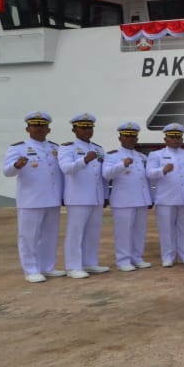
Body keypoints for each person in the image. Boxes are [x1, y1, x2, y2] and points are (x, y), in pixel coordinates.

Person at [3, 111, 65, 283]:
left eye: (42, 126)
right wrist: (16, 165)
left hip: (52, 199)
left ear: (48, 130)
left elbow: (60, 174)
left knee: (49, 236)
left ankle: (48, 267)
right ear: (27, 129)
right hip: (31, 200)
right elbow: (7, 172)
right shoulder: (18, 148)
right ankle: (31, 269)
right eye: (35, 126)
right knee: (29, 237)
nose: (39, 129)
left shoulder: (55, 148)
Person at [58, 113, 109, 279]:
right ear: (74, 129)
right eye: (83, 128)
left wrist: (105, 195)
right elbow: (66, 169)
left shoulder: (98, 149)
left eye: (89, 128)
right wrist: (84, 160)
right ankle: (73, 266)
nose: (87, 131)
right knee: (75, 233)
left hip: (96, 197)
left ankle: (89, 262)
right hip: (78, 198)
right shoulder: (67, 148)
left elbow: (101, 175)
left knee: (93, 232)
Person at [102, 122, 153, 272]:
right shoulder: (112, 156)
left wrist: (150, 198)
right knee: (123, 233)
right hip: (123, 200)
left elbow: (146, 180)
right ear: (120, 138)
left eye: (133, 136)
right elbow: (106, 174)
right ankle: (123, 260)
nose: (130, 139)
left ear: (137, 139)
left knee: (139, 231)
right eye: (127, 136)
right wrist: (122, 165)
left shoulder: (142, 157)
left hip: (141, 199)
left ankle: (137, 258)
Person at [146, 123, 184, 267]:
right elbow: (149, 173)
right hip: (166, 198)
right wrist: (163, 170)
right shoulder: (156, 155)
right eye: (172, 137)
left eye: (178, 137)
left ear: (182, 139)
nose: (175, 140)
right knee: (166, 230)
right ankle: (168, 256)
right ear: (165, 139)